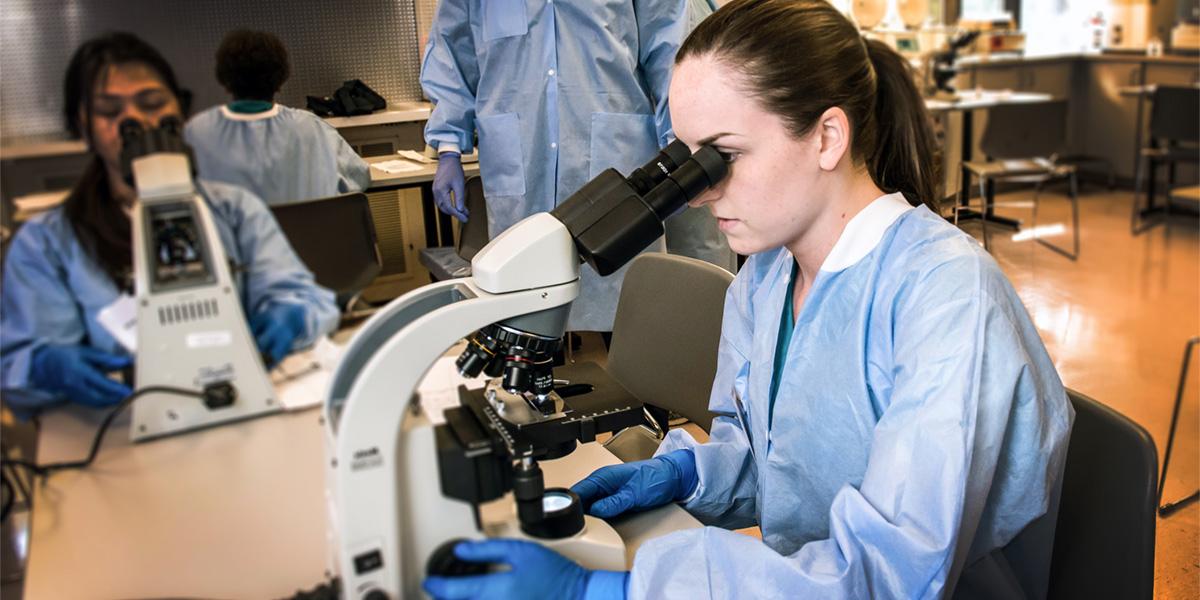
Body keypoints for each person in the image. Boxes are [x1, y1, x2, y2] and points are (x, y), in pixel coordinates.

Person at [422, 1, 1074, 599]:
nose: (701, 192)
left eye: (723, 157)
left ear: (826, 137)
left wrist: (610, 594)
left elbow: (892, 575)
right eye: (687, 161)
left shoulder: (948, 297)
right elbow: (773, 465)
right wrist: (686, 476)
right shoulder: (766, 278)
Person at [0, 32, 339, 411]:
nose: (136, 121)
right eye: (111, 112)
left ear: (180, 109)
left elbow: (308, 300)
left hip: (238, 406)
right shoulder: (47, 245)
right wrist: (44, 365)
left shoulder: (236, 210)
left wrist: (291, 315)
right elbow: (17, 373)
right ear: (83, 127)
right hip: (118, 426)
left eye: (151, 102)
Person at [420, 0, 734, 335]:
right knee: (524, 301)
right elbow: (452, 56)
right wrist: (449, 148)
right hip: (521, 160)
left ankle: (632, 379)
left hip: (616, 159)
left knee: (627, 302)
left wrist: (684, 142)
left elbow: (671, 54)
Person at [184, 29, 370, 206]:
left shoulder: (199, 131)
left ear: (224, 80)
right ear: (281, 78)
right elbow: (359, 177)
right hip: (310, 238)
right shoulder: (311, 127)